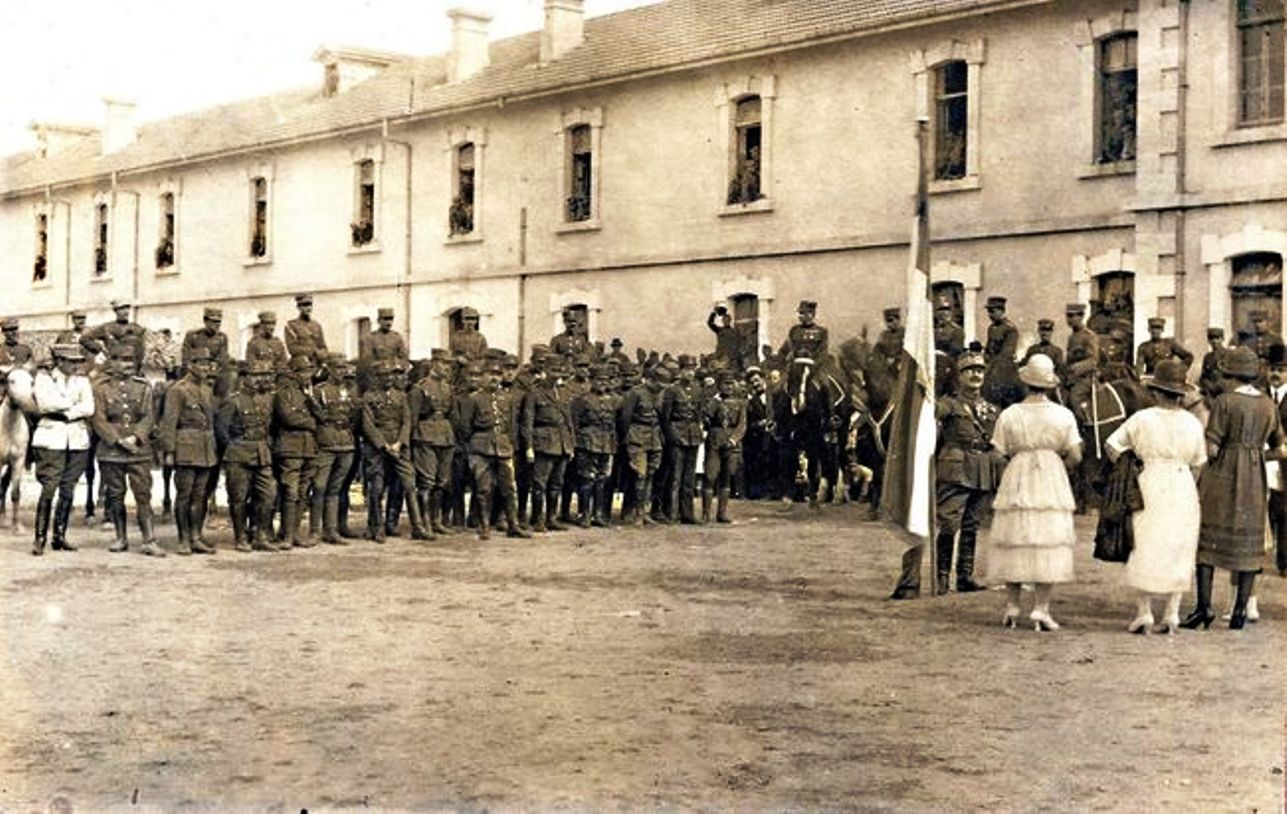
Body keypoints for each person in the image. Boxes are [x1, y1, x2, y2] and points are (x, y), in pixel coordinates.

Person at [1183, 347, 1284, 630]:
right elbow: (1282, 448)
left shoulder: (1224, 402)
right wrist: (1254, 455)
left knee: (1207, 542)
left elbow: (1212, 448)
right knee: (1249, 544)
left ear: (1231, 376)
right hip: (1254, 478)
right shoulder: (1267, 404)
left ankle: (1204, 608)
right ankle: (1240, 612)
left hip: (1222, 476)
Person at [1105, 359, 1207, 633]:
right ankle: (1172, 613)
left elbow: (1112, 445)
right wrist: (1186, 480)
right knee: (1179, 545)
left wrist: (1129, 466)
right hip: (1182, 483)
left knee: (1145, 542)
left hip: (1148, 481)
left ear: (1157, 391)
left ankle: (1144, 611)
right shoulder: (1192, 423)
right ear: (1181, 394)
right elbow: (1199, 462)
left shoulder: (1142, 419)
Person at [984, 353, 1082, 630]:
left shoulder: (1010, 414)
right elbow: (1075, 455)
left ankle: (1013, 606)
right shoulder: (1063, 415)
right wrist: (1054, 464)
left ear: (1026, 383)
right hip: (1051, 474)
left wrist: (1017, 465)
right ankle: (1041, 608)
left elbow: (996, 454)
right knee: (1047, 537)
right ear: (1050, 384)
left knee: (1015, 535)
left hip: (1019, 472)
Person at [92, 346, 163, 556]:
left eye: (130, 360)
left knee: (143, 494)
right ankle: (120, 537)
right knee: (115, 495)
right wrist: (117, 440)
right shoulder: (101, 389)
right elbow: (98, 419)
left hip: (138, 450)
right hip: (111, 451)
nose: (127, 365)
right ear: (111, 363)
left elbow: (149, 416)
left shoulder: (143, 387)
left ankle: (149, 539)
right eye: (122, 360)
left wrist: (135, 436)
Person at [29, 344, 95, 555]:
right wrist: (73, 406)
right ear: (60, 361)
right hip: (51, 437)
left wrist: (67, 410)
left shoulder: (83, 380)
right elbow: (46, 405)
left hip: (76, 439)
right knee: (49, 487)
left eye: (78, 361)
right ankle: (39, 538)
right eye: (71, 361)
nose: (76, 365)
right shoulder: (43, 379)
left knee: (68, 488)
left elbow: (89, 407)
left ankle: (59, 536)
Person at [456, 361, 531, 540]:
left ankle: (513, 525)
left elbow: (512, 426)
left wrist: (510, 446)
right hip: (481, 448)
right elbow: (465, 427)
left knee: (509, 488)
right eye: (490, 374)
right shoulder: (474, 399)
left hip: (504, 447)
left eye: (497, 374)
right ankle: (485, 526)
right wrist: (473, 449)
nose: (494, 378)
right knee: (484, 489)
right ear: (483, 377)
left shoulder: (508, 398)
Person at [158, 347, 220, 555]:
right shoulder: (178, 390)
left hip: (205, 447)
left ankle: (196, 536)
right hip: (186, 446)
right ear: (190, 365)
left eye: (207, 364)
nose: (205, 368)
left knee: (200, 495)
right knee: (184, 494)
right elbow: (169, 423)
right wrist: (169, 452)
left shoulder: (207, 389)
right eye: (200, 364)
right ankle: (183, 538)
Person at [360, 360, 430, 541]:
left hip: (399, 446)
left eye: (391, 375)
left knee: (409, 484)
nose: (389, 378)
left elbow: (406, 421)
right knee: (376, 487)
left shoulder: (401, 396)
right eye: (385, 375)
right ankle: (377, 527)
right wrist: (383, 445)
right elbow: (368, 425)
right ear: (377, 377)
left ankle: (418, 527)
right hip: (377, 448)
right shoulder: (368, 397)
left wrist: (400, 442)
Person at [217, 359, 278, 552]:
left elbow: (269, 427)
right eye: (255, 376)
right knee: (239, 498)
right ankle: (241, 536)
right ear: (244, 378)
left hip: (262, 454)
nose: (260, 380)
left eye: (262, 376)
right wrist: (234, 448)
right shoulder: (233, 401)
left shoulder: (266, 399)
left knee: (268, 496)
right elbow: (221, 430)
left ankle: (261, 535)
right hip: (238, 456)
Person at [311, 354, 361, 544]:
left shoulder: (349, 391)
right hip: (326, 444)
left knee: (335, 488)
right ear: (329, 369)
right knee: (319, 486)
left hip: (346, 443)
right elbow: (314, 419)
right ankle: (315, 531)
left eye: (343, 368)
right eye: (338, 368)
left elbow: (355, 418)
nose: (342, 372)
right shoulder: (319, 391)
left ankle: (331, 530)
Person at [522, 356, 575, 532]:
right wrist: (529, 446)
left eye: (559, 371)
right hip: (543, 442)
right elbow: (527, 421)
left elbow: (569, 421)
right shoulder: (534, 393)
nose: (556, 374)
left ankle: (551, 518)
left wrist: (571, 444)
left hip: (562, 443)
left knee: (557, 483)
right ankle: (538, 520)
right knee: (539, 483)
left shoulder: (565, 392)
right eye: (553, 370)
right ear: (545, 370)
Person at [408, 349, 456, 536]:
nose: (447, 368)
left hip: (445, 435)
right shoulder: (420, 388)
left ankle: (436, 521)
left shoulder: (447, 387)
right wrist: (410, 444)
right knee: (426, 482)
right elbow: (412, 418)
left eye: (449, 364)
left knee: (442, 481)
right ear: (434, 363)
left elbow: (451, 413)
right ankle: (424, 523)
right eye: (444, 363)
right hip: (425, 436)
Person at [273, 355, 320, 548]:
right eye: (302, 371)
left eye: (309, 371)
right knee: (290, 492)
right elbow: (288, 418)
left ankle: (294, 533)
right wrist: (311, 423)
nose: (307, 375)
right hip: (290, 448)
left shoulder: (308, 393)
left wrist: (311, 401)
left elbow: (322, 416)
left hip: (308, 448)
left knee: (302, 492)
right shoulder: (284, 393)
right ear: (293, 374)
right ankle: (286, 536)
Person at [571, 366, 618, 527]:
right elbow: (575, 424)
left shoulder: (612, 400)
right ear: (591, 381)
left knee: (602, 479)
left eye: (606, 380)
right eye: (599, 380)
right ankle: (584, 514)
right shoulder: (582, 400)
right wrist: (576, 445)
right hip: (587, 443)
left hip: (606, 443)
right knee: (586, 478)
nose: (603, 383)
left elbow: (614, 424)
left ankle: (598, 514)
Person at [660, 354, 704, 524]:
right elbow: (666, 417)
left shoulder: (698, 390)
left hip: (693, 435)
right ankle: (671, 513)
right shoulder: (672, 390)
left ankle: (687, 514)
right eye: (687, 369)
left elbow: (698, 414)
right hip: (677, 435)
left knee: (689, 478)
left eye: (693, 369)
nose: (690, 373)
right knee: (675, 477)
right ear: (681, 370)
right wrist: (672, 436)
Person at [701, 370, 746, 523]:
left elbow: (742, 424)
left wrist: (734, 439)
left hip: (731, 442)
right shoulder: (713, 402)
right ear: (719, 385)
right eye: (725, 384)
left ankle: (722, 513)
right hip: (715, 440)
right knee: (710, 475)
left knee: (727, 477)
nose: (729, 387)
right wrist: (713, 401)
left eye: (731, 383)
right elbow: (705, 418)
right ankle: (706, 513)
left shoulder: (740, 402)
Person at [81, 299, 146, 370]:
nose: (126, 312)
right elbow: (84, 339)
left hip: (133, 368)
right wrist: (100, 350)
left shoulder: (137, 328)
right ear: (115, 311)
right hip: (113, 367)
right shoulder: (107, 327)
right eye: (122, 309)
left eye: (127, 308)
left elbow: (141, 350)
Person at [982, 295, 1022, 407]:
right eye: (988, 311)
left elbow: (1007, 352)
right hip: (992, 367)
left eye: (992, 311)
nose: (989, 315)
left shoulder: (1010, 329)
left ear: (1001, 310)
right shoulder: (991, 328)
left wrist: (992, 365)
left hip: (1005, 369)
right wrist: (985, 356)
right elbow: (988, 347)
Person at [284, 292, 328, 362]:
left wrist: (323, 354)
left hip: (317, 363)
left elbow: (323, 346)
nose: (308, 308)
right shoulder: (291, 326)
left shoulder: (316, 325)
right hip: (301, 364)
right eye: (304, 305)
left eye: (310, 305)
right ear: (298, 307)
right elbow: (292, 349)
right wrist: (313, 351)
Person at [1199, 327, 1228, 402]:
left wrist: (1220, 385)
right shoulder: (1207, 357)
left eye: (1217, 338)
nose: (1214, 341)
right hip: (1211, 393)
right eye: (1211, 339)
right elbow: (1203, 377)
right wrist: (1208, 384)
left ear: (1222, 339)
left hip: (1225, 392)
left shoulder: (1229, 355)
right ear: (1208, 341)